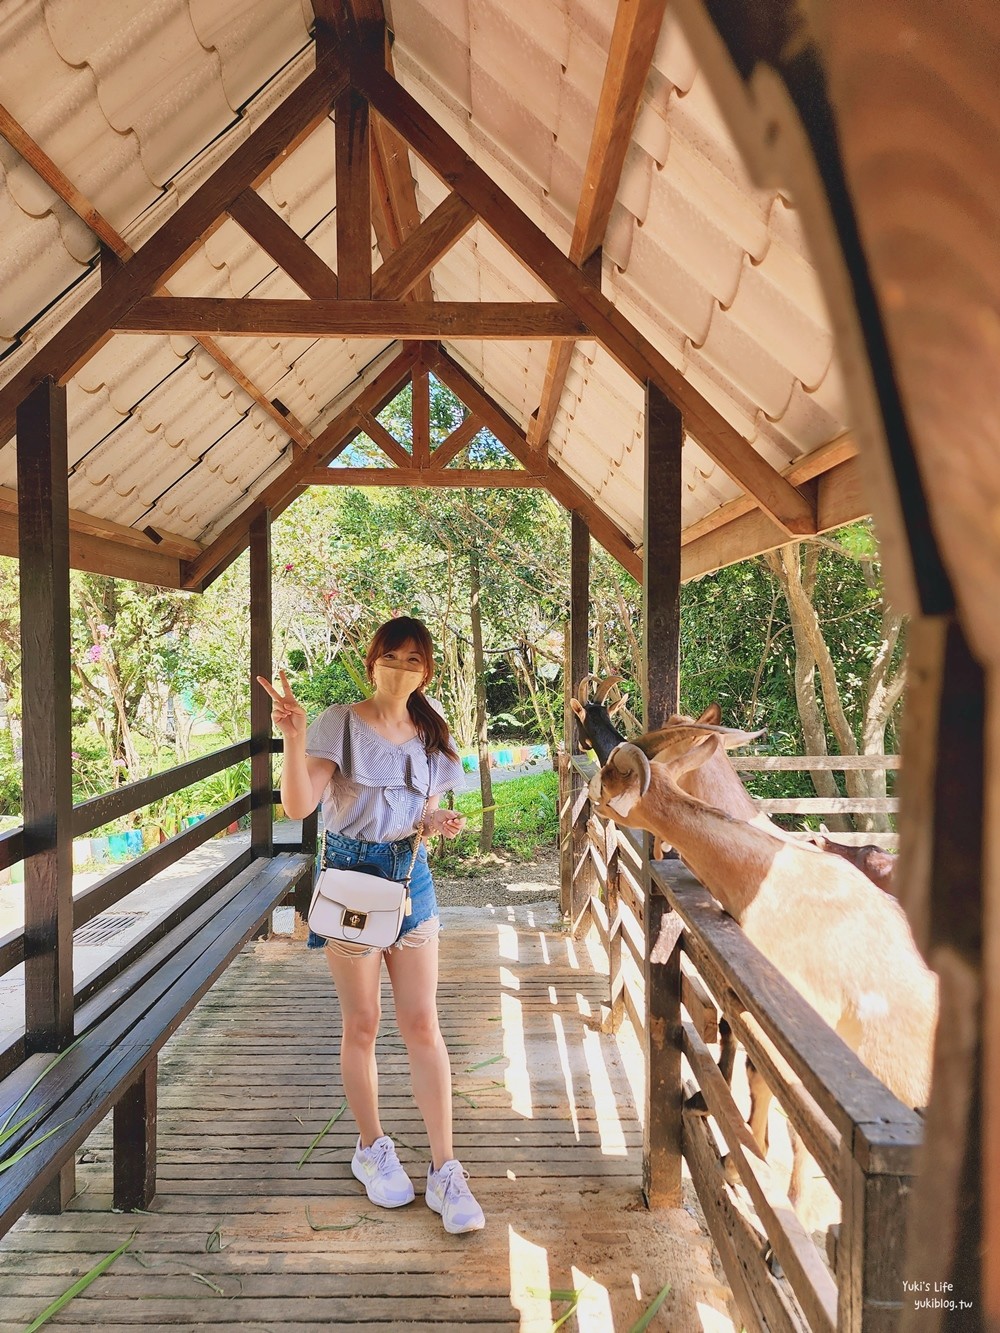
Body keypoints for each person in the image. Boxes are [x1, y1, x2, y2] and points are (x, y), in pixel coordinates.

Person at [257, 616, 485, 1235]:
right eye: (393, 657)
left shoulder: (432, 731)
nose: (402, 669)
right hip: (353, 880)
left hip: (412, 880)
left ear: (426, 670)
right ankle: (371, 1147)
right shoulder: (340, 721)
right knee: (363, 1022)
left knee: (423, 1025)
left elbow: (422, 808)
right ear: (372, 661)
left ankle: (445, 1169)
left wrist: (435, 823)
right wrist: (296, 737)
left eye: (415, 660)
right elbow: (302, 808)